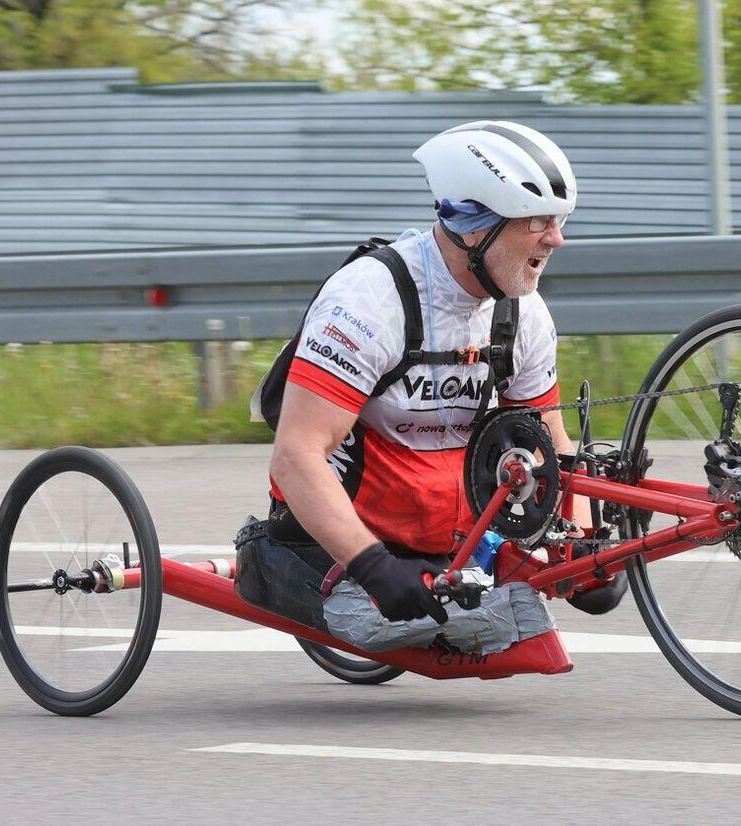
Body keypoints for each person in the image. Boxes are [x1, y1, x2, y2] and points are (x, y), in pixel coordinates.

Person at [267, 120, 627, 625]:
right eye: (537, 221)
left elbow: (549, 445)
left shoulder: (524, 312)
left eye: (560, 219)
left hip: (456, 535)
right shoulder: (370, 299)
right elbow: (295, 456)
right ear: (475, 224)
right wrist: (372, 565)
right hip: (354, 537)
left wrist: (586, 550)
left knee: (531, 638)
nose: (557, 238)